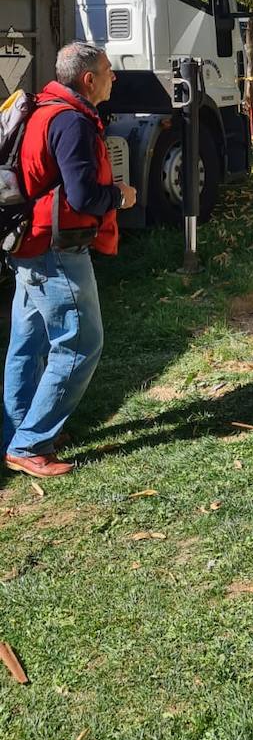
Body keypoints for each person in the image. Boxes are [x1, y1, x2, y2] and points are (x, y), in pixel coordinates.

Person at [2, 43, 137, 478]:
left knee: (29, 343)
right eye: (108, 71)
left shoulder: (43, 108)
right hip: (55, 250)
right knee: (81, 343)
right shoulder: (72, 122)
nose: (114, 77)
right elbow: (83, 197)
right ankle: (30, 443)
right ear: (88, 80)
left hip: (27, 243)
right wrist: (121, 195)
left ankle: (18, 430)